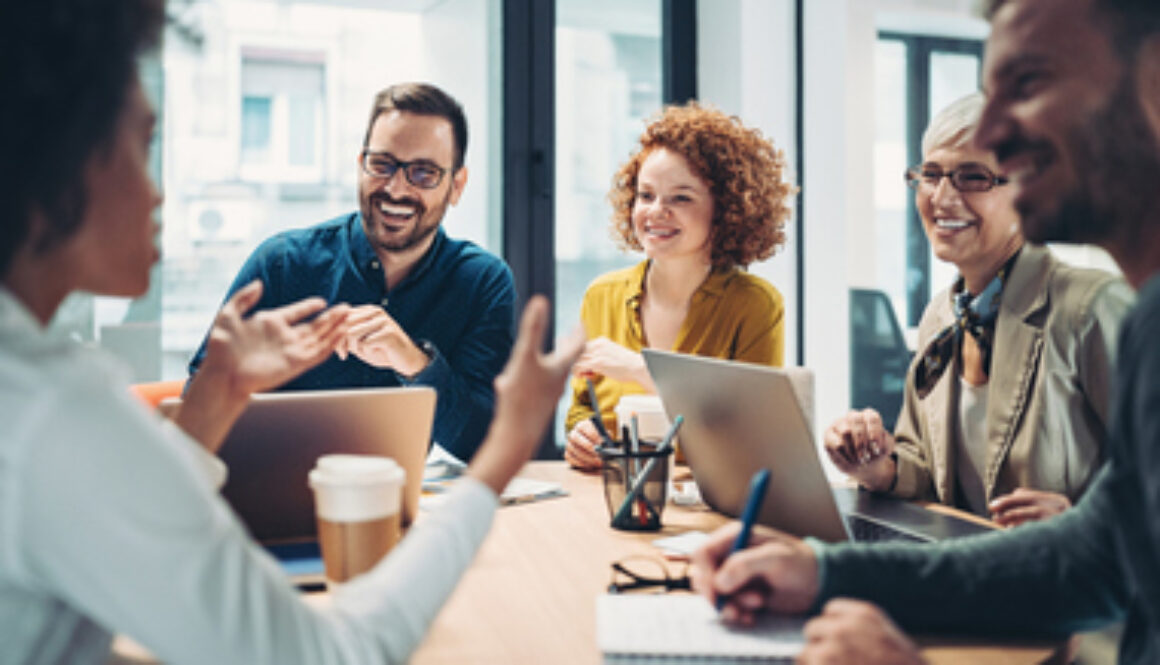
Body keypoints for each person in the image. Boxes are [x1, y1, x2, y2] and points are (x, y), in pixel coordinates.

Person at [0, 2, 582, 663]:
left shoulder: (34, 389)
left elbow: (93, 571)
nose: (159, 192)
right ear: (63, 163)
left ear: (456, 185)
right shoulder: (57, 408)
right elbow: (326, 654)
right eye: (143, 145)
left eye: (423, 171)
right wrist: (504, 453)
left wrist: (218, 397)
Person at [690, 0, 1160, 662]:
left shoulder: (1106, 311)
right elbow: (1091, 557)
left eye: (1029, 83)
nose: (994, 132)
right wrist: (823, 573)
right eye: (932, 170)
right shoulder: (1149, 324)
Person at [823, 92, 1131, 525]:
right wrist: (878, 467)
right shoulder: (942, 317)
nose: (942, 198)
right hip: (974, 578)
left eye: (973, 177)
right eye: (931, 174)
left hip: (1074, 582)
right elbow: (931, 471)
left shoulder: (1092, 309)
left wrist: (1082, 521)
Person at [188, 82, 515, 463]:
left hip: (406, 509)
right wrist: (241, 381)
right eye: (382, 165)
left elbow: (485, 444)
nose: (396, 189)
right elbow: (194, 403)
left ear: (456, 186)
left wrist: (416, 364)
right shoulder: (281, 263)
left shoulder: (483, 283)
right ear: (361, 165)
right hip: (277, 499)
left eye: (423, 173)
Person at [564, 103, 796, 470]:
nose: (656, 211)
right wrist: (581, 435)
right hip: (612, 502)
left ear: (727, 208)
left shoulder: (755, 305)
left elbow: (751, 438)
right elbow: (584, 407)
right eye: (645, 195)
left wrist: (642, 371)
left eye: (681, 198)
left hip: (709, 510)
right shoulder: (601, 295)